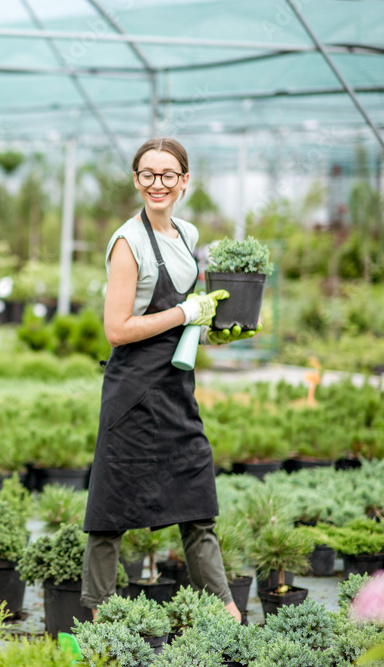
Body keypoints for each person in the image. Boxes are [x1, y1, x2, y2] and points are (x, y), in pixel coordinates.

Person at [81, 137, 256, 622]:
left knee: (197, 499)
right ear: (136, 180)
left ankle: (227, 616)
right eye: (147, 174)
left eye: (168, 175)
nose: (157, 184)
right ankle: (98, 623)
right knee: (111, 511)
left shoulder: (187, 233)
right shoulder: (128, 242)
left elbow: (185, 324)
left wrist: (213, 331)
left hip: (176, 388)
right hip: (132, 392)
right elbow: (117, 330)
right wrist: (185, 311)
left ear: (184, 182)